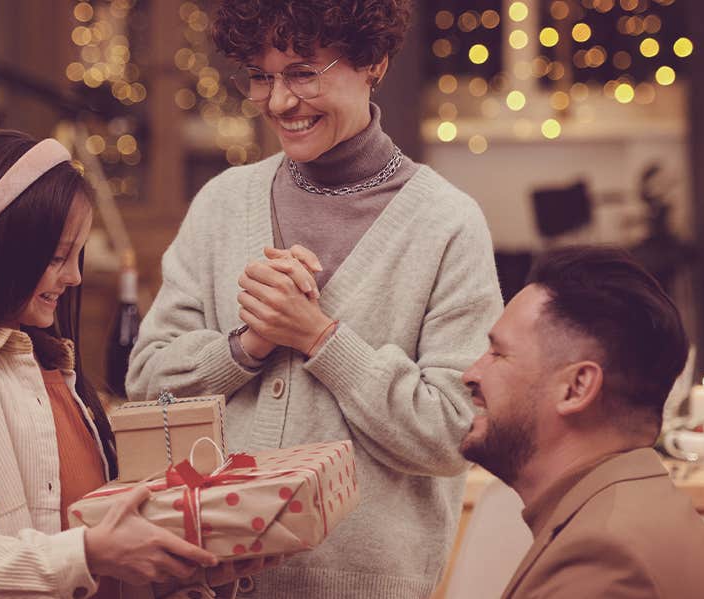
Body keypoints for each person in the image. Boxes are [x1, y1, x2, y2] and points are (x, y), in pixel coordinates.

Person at [126, 1, 503, 597]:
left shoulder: (447, 225)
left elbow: (456, 432)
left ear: (373, 62)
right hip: (204, 584)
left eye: (303, 73)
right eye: (261, 75)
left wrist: (320, 338)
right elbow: (147, 384)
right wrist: (247, 345)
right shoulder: (223, 205)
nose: (278, 102)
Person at [0, 131, 238, 598]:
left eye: (76, 255)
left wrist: (184, 572)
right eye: (58, 257)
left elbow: (93, 553)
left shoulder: (51, 371)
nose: (75, 276)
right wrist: (89, 554)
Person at [458, 246, 704, 599]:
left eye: (498, 354)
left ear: (576, 388)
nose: (470, 374)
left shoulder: (604, 557)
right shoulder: (634, 505)